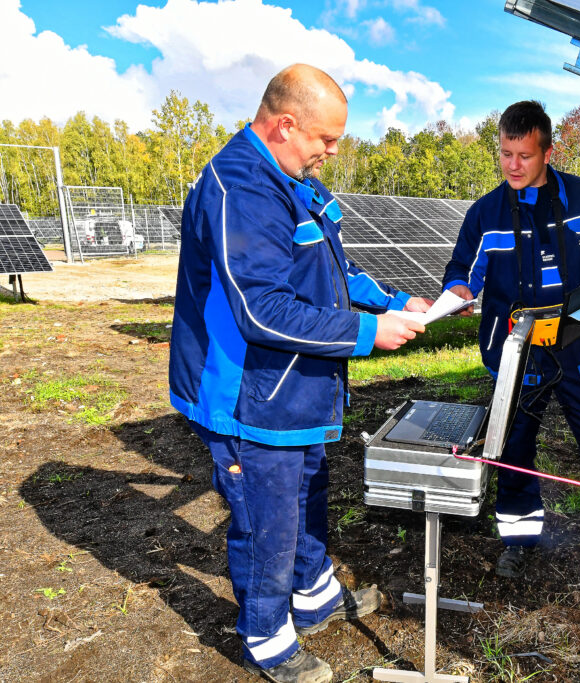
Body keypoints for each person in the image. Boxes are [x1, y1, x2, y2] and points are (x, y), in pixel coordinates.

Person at [168, 64, 430, 683]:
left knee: (308, 487)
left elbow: (330, 270)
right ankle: (266, 636)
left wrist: (396, 302)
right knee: (268, 518)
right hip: (248, 392)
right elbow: (262, 310)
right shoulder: (240, 188)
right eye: (325, 139)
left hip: (295, 385)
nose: (331, 152)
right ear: (286, 125)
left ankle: (313, 595)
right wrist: (368, 333)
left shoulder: (292, 178)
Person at [442, 100, 580, 579]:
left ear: (548, 153)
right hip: (516, 355)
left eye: (524, 156)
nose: (512, 165)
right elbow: (462, 269)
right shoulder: (485, 213)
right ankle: (519, 537)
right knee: (512, 450)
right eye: (505, 154)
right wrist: (459, 290)